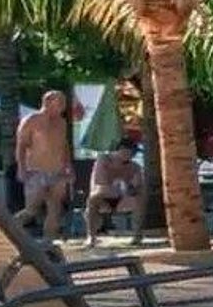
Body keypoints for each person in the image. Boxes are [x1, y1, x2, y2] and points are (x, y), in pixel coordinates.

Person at [11, 91, 73, 241]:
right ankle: (8, 230)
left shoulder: (62, 123)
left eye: (63, 103)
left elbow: (64, 145)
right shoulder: (31, 120)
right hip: (36, 170)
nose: (63, 106)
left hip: (57, 170)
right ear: (48, 102)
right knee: (32, 209)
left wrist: (68, 166)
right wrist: (21, 168)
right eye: (60, 103)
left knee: (55, 207)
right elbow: (21, 146)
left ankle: (49, 241)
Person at [84, 140, 145, 247]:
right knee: (93, 199)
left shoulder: (134, 167)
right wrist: (118, 187)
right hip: (103, 197)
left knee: (139, 198)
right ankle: (91, 236)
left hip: (122, 199)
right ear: (122, 150)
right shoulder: (103, 160)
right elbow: (100, 182)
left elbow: (137, 187)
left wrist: (133, 186)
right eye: (131, 152)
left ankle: (137, 235)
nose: (132, 155)